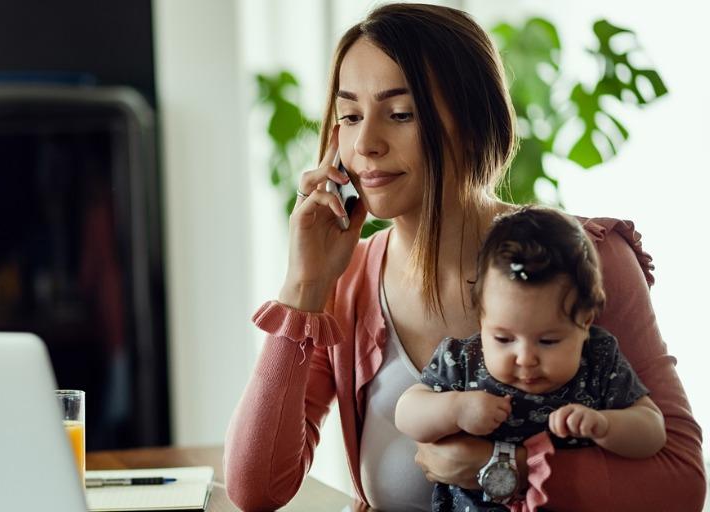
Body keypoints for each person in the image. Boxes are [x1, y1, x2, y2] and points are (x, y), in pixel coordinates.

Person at [223, 3, 705, 511]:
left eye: (401, 113)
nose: (365, 144)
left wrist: (502, 468)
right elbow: (255, 490)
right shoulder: (347, 284)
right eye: (349, 115)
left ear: (473, 122)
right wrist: (304, 286)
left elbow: (681, 482)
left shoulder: (585, 258)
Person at [394, 206, 666, 511]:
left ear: (586, 322)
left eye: (548, 341)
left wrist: (607, 425)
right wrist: (455, 409)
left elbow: (652, 431)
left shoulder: (597, 362)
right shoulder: (465, 361)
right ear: (482, 318)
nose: (525, 358)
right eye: (503, 339)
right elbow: (406, 412)